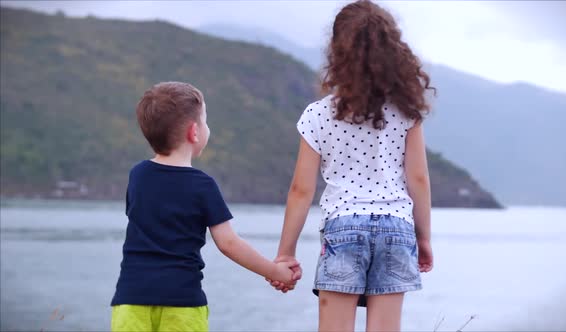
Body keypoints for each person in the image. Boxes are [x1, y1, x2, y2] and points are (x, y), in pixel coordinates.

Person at [269, 1, 435, 330]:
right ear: (391, 49)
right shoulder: (406, 112)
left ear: (336, 50)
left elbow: (301, 190)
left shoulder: (318, 114)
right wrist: (424, 237)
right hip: (397, 227)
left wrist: (285, 253)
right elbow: (418, 179)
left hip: (343, 226)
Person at [110, 82, 298, 332]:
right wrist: (275, 271)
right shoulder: (203, 185)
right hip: (182, 302)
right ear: (194, 133)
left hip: (130, 299)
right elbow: (229, 244)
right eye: (205, 121)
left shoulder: (138, 176)